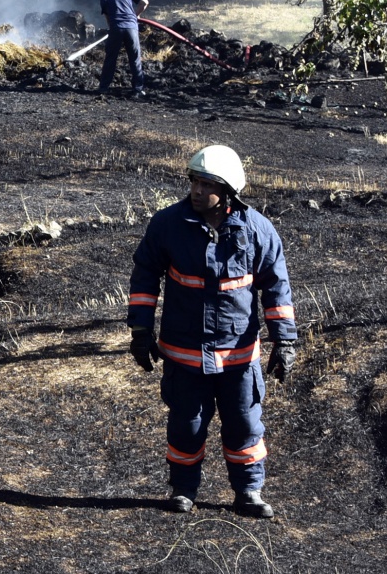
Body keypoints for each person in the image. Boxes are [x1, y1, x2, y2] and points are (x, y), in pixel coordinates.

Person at [126, 144, 297, 517]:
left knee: (245, 428)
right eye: (193, 182)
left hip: (239, 360)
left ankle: (249, 492)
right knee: (186, 429)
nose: (197, 190)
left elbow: (276, 286)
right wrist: (140, 330)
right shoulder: (168, 225)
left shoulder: (257, 230)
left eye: (206, 184)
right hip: (185, 357)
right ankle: (183, 490)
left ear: (228, 191)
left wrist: (284, 340)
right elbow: (145, 275)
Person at [98, 0, 149, 97]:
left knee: (111, 58)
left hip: (116, 29)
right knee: (135, 58)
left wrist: (113, 30)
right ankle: (138, 89)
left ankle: (104, 88)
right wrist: (135, 15)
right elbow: (145, 2)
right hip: (131, 28)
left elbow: (108, 19)